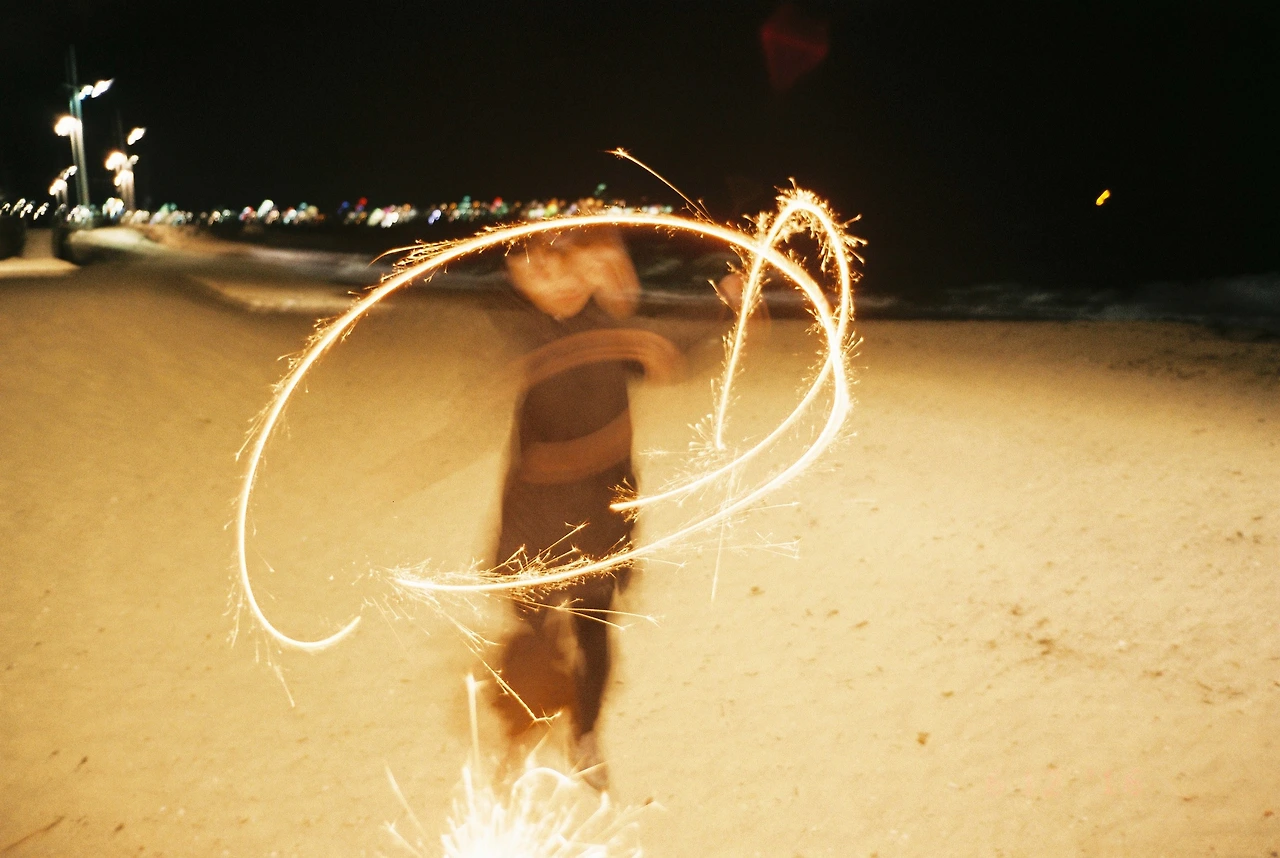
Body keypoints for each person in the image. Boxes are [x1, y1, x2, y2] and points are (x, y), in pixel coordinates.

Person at [491, 224, 679, 791]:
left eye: (565, 271)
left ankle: (586, 735)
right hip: (540, 507)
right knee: (532, 623)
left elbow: (669, 348)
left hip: (602, 504)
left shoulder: (612, 330)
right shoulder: (531, 334)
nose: (555, 285)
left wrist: (729, 305)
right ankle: (521, 738)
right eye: (536, 276)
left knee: (594, 628)